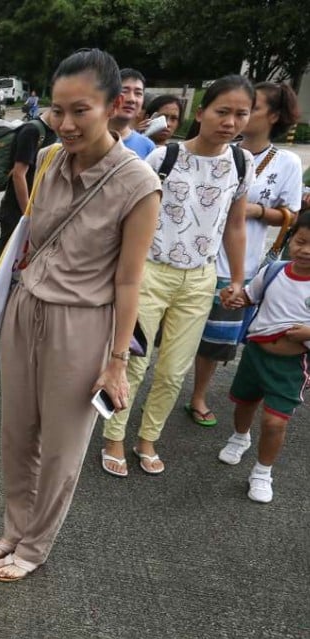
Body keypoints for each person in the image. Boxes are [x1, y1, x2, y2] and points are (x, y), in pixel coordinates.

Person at [0, 49, 161, 581]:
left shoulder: (139, 183)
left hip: (83, 324)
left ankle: (34, 547)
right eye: (58, 110)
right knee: (16, 431)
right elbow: (27, 239)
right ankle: (13, 528)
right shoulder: (50, 159)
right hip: (28, 308)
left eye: (81, 110)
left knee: (61, 447)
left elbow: (128, 280)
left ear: (114, 105)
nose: (67, 123)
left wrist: (117, 361)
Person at [102, 75, 254, 476]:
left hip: (201, 278)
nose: (231, 122)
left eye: (241, 114)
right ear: (201, 113)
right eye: (222, 111)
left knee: (174, 369)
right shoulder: (163, 158)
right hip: (150, 272)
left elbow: (235, 225)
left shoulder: (241, 162)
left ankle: (147, 439)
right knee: (134, 362)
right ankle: (114, 436)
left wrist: (236, 279)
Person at [184, 81, 303, 426]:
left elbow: (292, 215)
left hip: (240, 261)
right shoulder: (221, 148)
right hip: (196, 257)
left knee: (215, 340)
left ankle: (198, 395)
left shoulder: (287, 162)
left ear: (273, 116)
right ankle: (165, 390)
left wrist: (253, 211)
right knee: (178, 333)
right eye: (230, 110)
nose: (239, 116)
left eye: (250, 109)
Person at [216, 213, 310, 503]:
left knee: (274, 422)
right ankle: (239, 436)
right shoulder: (274, 271)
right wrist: (231, 296)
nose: (305, 250)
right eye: (301, 241)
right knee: (244, 402)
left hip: (290, 366)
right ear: (290, 238)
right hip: (255, 354)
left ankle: (262, 472)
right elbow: (248, 296)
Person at [0, 108, 59, 257]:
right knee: (6, 264)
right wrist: (27, 216)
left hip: (39, 210)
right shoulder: (31, 131)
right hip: (16, 212)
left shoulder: (54, 132)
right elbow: (18, 174)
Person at [109, 68, 156, 159]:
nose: (132, 99)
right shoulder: (88, 138)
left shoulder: (148, 147)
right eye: (124, 91)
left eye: (138, 93)